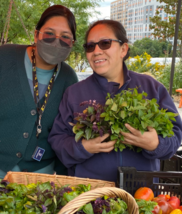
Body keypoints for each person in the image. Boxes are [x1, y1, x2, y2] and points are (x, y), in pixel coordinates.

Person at [0, 5, 78, 190]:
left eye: (65, 37)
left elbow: (66, 128)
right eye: (49, 33)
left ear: (72, 43)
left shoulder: (68, 78)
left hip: (38, 175)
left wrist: (63, 171)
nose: (57, 41)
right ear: (36, 35)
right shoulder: (1, 58)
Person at [48, 20, 182, 183]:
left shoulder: (152, 87)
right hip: (90, 194)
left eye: (105, 43)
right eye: (90, 46)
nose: (96, 51)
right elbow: (57, 140)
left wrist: (156, 144)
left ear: (123, 49)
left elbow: (175, 134)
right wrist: (83, 147)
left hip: (142, 194)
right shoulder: (74, 93)